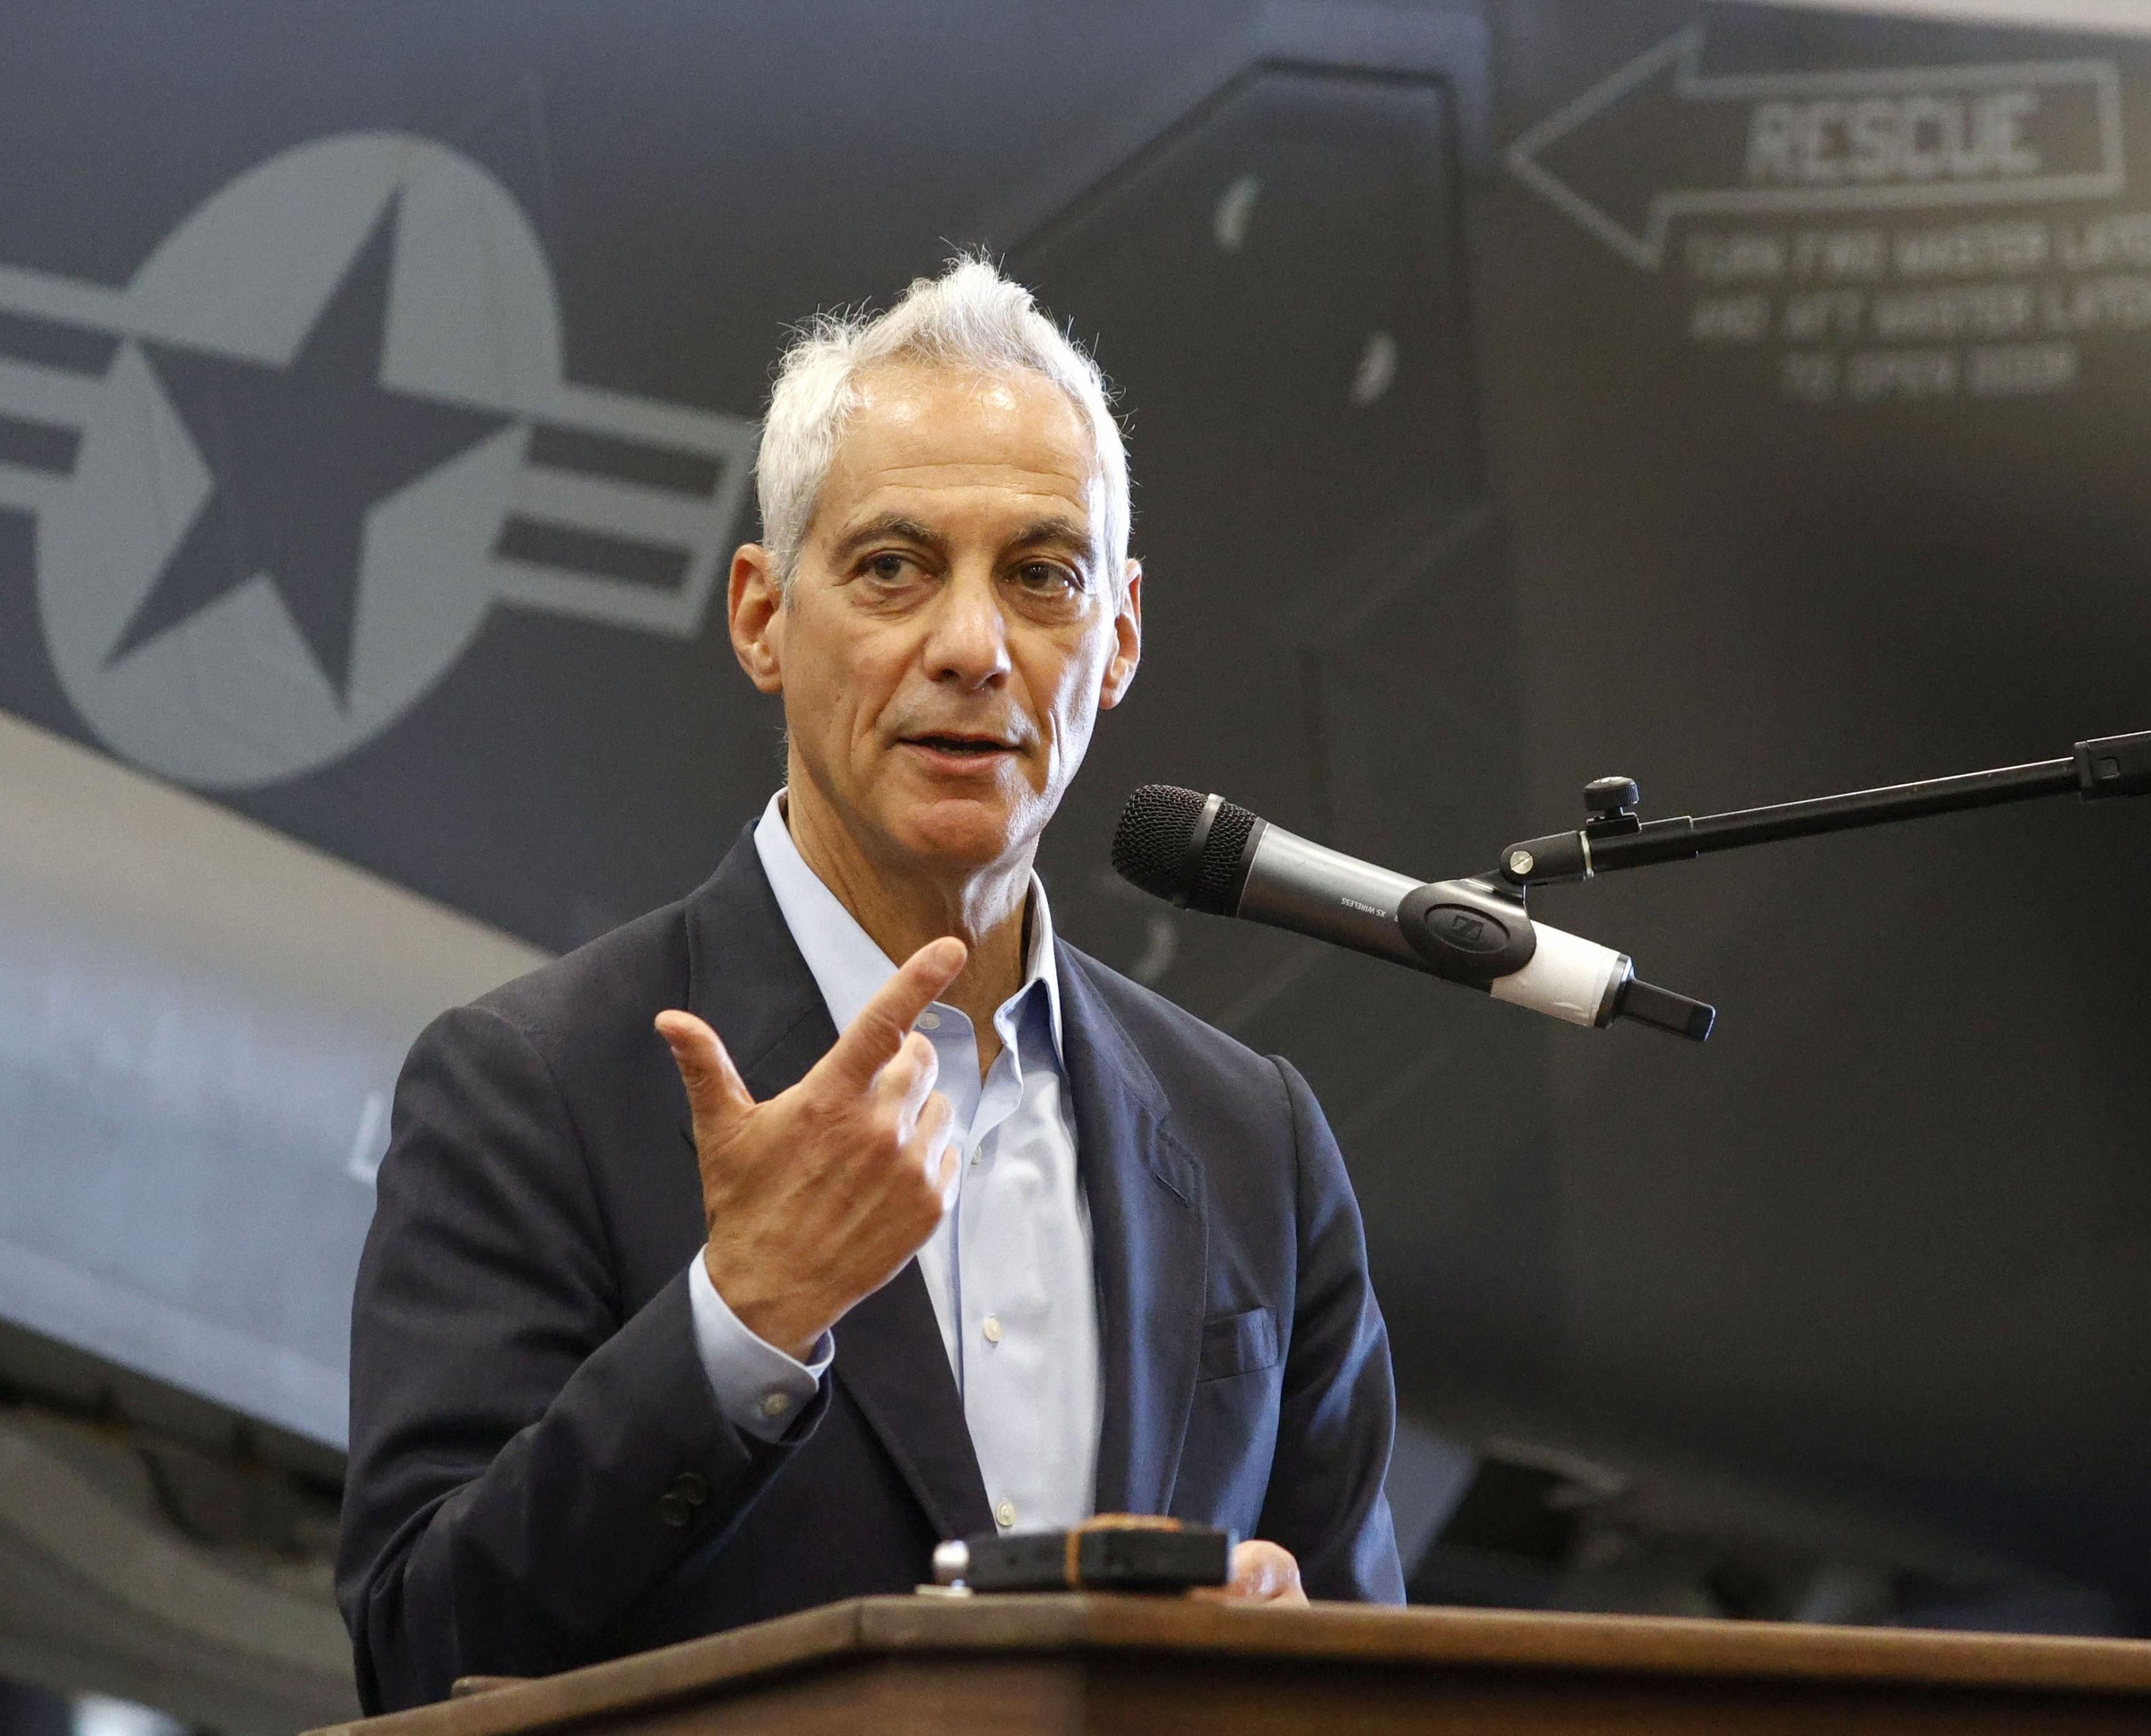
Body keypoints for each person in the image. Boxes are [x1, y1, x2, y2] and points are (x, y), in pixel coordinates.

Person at [336, 256, 1401, 1712]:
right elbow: (416, 1647)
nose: (970, 648)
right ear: (765, 617)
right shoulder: (532, 1083)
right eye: (894, 567)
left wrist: (1302, 1660)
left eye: (1042, 575)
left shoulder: (1252, 1137)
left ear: (1122, 634)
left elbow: (1382, 1671)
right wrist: (742, 1316)